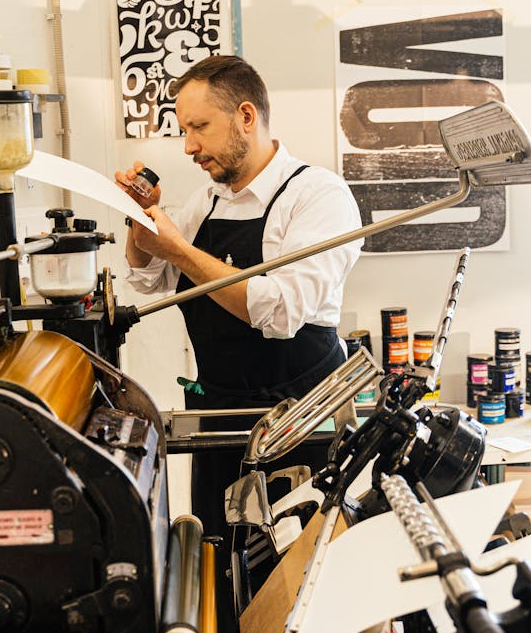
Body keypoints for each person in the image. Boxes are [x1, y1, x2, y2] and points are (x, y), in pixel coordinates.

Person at [116, 54, 362, 629]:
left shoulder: (318, 197)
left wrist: (179, 249)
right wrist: (141, 221)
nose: (188, 146)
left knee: (301, 583)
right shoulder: (206, 202)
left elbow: (279, 310)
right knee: (222, 576)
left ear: (246, 117)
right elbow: (149, 279)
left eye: (199, 127)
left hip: (301, 421)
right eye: (184, 130)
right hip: (221, 418)